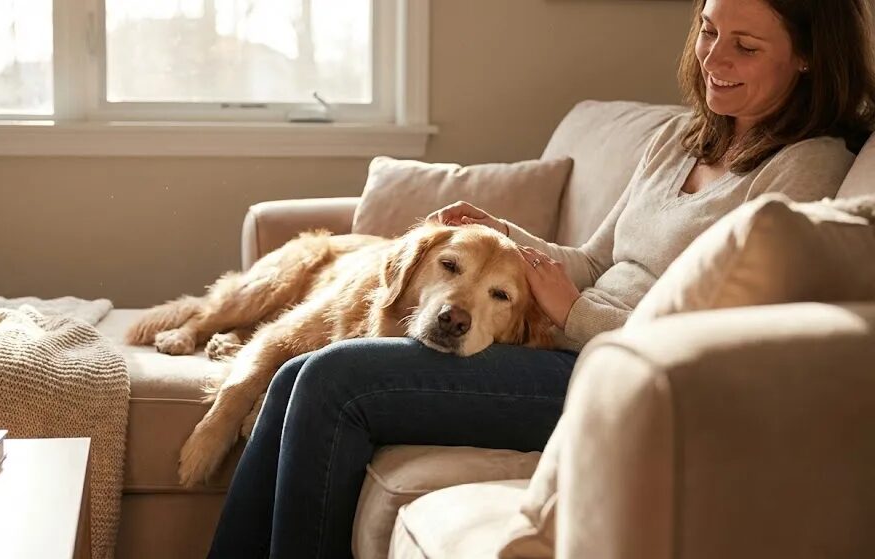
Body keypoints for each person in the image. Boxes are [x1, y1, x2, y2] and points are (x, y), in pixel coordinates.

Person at [207, 0, 875, 557]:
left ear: (808, 56)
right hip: (557, 342)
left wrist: (574, 313)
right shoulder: (680, 139)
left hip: (611, 374)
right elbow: (594, 258)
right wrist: (501, 232)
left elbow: (721, 336)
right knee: (297, 373)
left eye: (746, 46)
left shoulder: (808, 165)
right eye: (708, 31)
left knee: (333, 380)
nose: (714, 59)